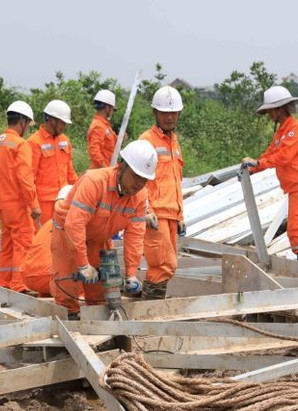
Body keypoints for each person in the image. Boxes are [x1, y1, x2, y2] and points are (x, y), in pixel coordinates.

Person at [50, 140, 157, 319]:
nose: (140, 183)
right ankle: (69, 324)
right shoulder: (94, 182)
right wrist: (83, 265)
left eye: (145, 179)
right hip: (67, 234)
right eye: (136, 176)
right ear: (122, 166)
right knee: (66, 287)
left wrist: (131, 274)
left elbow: (135, 236)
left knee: (101, 293)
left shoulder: (140, 196)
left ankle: (100, 328)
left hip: (99, 239)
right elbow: (74, 224)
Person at [242, 85, 298, 263]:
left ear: (279, 109)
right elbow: (271, 153)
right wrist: (254, 167)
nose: (269, 115)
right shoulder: (282, 131)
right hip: (296, 187)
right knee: (296, 228)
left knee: (297, 229)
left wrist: (259, 163)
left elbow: (284, 156)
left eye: (270, 111)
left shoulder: (295, 129)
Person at [0, 101, 41, 292]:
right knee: (23, 242)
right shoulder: (20, 144)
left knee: (7, 244)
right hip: (17, 204)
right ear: (22, 121)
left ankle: (5, 281)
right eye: (27, 123)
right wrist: (34, 205)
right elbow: (25, 178)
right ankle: (19, 283)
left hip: (1, 205)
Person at [139, 85, 186, 300]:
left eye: (174, 112)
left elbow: (176, 180)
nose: (170, 117)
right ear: (155, 113)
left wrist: (181, 215)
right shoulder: (146, 141)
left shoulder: (174, 142)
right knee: (163, 265)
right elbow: (139, 179)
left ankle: (150, 304)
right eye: (165, 112)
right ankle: (151, 305)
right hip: (155, 214)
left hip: (172, 215)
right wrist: (146, 210)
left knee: (165, 266)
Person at [28, 100, 78, 224]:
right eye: (62, 123)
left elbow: (70, 172)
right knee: (43, 239)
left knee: (61, 236)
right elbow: (29, 178)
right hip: (43, 203)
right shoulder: (34, 142)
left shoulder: (65, 141)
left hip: (63, 199)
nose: (64, 126)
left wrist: (79, 190)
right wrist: (34, 205)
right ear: (52, 120)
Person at [22, 185, 73, 296]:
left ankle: (47, 293)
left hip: (28, 277)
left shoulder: (50, 223)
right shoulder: (73, 223)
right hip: (49, 277)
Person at [87, 89, 117, 169]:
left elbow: (110, 144)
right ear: (107, 108)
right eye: (112, 109)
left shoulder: (105, 125)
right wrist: (106, 170)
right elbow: (95, 152)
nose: (112, 112)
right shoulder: (98, 126)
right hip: (100, 173)